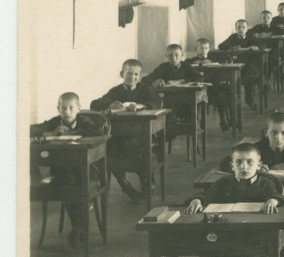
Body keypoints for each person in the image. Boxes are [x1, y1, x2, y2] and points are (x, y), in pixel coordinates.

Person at [30, 93, 106, 244]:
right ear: (58, 109)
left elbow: (98, 131)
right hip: (63, 171)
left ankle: (77, 227)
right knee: (67, 182)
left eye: (71, 108)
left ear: (79, 108)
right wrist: (50, 133)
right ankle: (79, 226)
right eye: (63, 108)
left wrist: (72, 133)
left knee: (78, 182)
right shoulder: (55, 123)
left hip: (87, 168)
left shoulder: (84, 121)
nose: (67, 112)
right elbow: (33, 129)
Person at [91, 59, 161, 202]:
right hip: (118, 135)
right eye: (128, 73)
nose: (132, 77)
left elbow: (156, 103)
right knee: (108, 150)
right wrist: (111, 103)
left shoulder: (144, 89)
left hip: (140, 134)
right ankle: (125, 185)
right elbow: (95, 103)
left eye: (136, 74)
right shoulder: (115, 91)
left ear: (140, 76)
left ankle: (146, 181)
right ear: (122, 73)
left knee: (132, 147)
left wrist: (140, 106)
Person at [144, 43, 200, 139]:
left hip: (185, 102)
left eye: (176, 55)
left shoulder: (186, 66)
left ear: (182, 55)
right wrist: (156, 81)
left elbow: (198, 78)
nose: (173, 58)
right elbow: (145, 80)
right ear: (166, 56)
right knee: (167, 113)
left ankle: (176, 131)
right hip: (168, 102)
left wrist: (180, 81)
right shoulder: (163, 67)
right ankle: (167, 135)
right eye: (170, 55)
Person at [189, 38, 234, 132]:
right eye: (201, 48)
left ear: (209, 49)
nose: (203, 51)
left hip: (212, 86)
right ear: (196, 49)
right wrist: (195, 64)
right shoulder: (191, 61)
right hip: (199, 87)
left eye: (206, 48)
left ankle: (223, 119)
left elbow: (225, 59)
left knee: (220, 92)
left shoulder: (213, 59)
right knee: (217, 93)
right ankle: (203, 121)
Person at [218, 19, 262, 108]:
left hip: (249, 64)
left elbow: (261, 46)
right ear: (235, 28)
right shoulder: (233, 37)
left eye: (243, 27)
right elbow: (221, 46)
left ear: (247, 29)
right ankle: (232, 100)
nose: (241, 29)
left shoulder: (251, 37)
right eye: (239, 27)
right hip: (236, 64)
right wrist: (231, 47)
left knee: (249, 75)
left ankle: (249, 99)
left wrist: (256, 47)